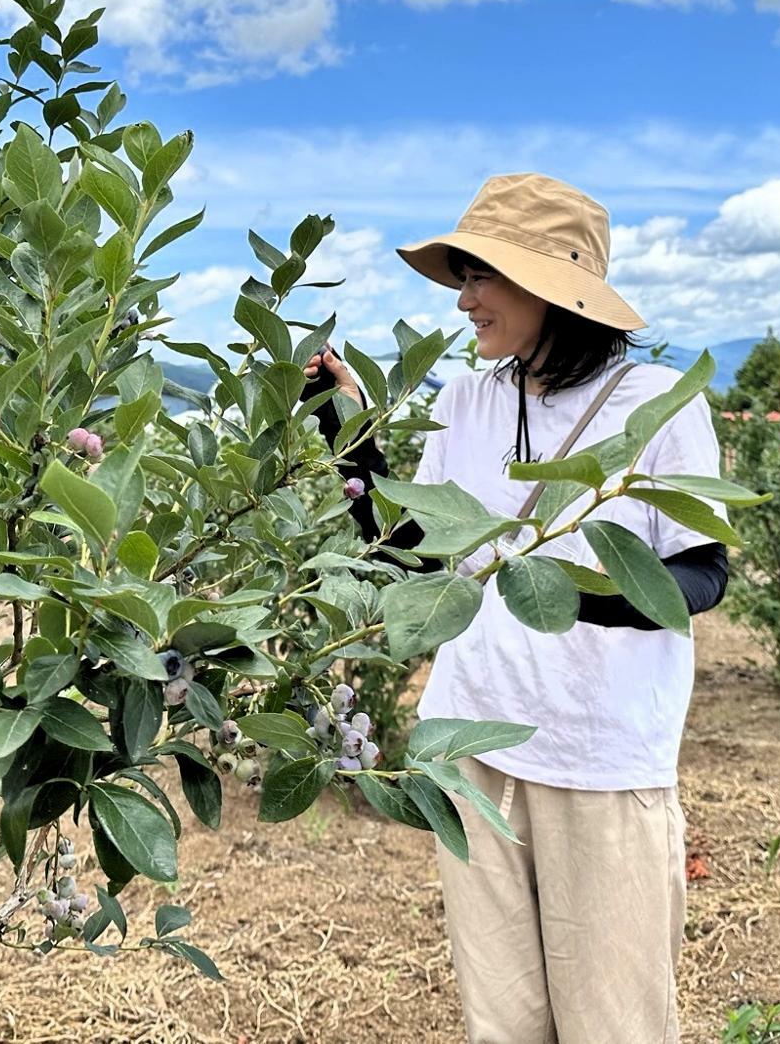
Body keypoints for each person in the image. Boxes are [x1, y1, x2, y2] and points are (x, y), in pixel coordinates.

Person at [302, 172, 727, 1044]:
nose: (464, 302)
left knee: (614, 1023)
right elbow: (410, 545)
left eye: (479, 277)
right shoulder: (469, 401)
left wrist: (580, 597)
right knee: (505, 1020)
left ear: (548, 285)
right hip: (473, 742)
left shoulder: (656, 405)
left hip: (598, 757)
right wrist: (352, 440)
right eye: (462, 278)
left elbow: (702, 574)